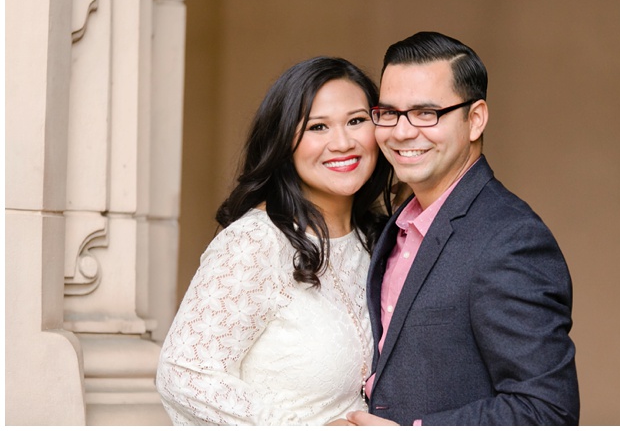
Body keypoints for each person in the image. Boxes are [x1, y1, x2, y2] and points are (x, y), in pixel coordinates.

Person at [343, 32, 580, 426]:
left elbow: (547, 411)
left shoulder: (510, 240)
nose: (401, 132)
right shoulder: (397, 225)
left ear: (475, 119)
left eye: (426, 113)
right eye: (389, 112)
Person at [155, 56, 394, 425]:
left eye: (356, 120)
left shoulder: (378, 239)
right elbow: (184, 374)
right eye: (318, 127)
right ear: (285, 142)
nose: (343, 142)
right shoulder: (256, 242)